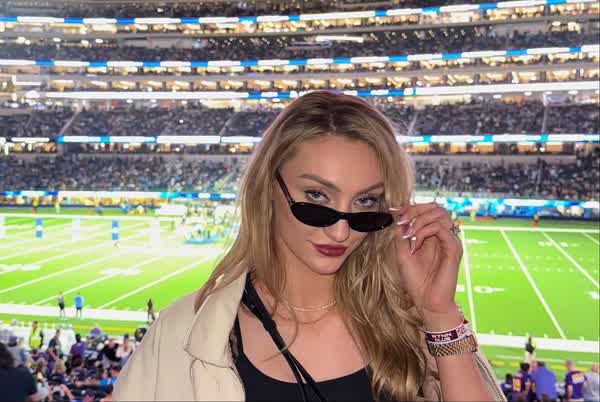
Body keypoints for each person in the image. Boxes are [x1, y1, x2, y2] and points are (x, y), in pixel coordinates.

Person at [113, 91, 504, 400]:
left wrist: (439, 313)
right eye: (317, 197)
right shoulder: (182, 335)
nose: (341, 232)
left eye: (365, 202)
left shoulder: (407, 324)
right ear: (268, 187)